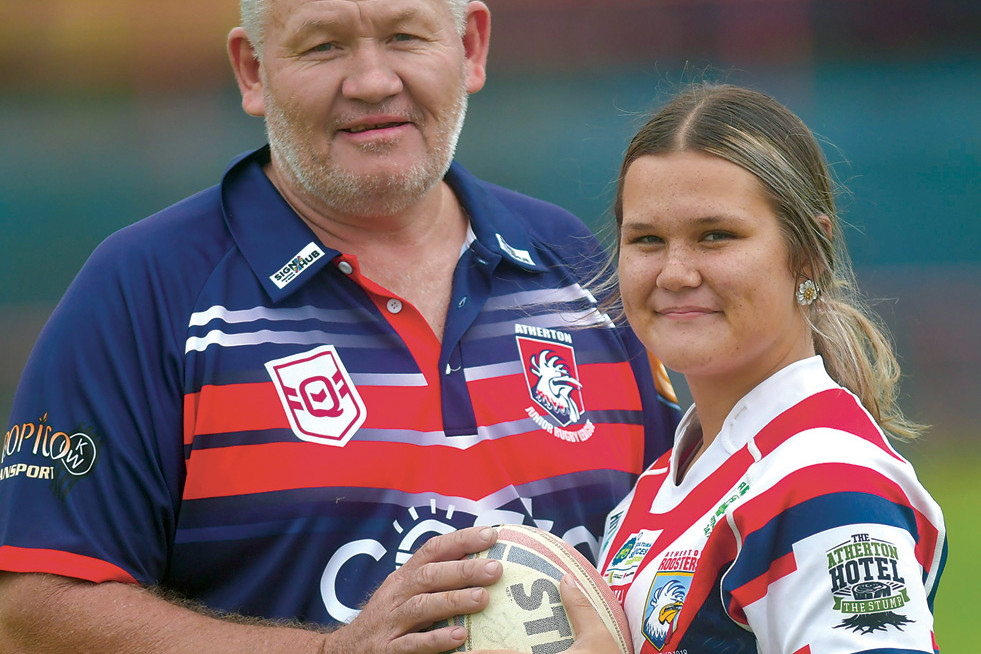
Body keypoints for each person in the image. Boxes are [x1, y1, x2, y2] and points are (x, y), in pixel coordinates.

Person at [0, 0, 678, 651]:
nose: (372, 82)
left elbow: (677, 549)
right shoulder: (147, 286)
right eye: (323, 45)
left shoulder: (575, 268)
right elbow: (32, 616)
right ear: (253, 71)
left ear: (470, 47)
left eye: (406, 37)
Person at [559, 83, 947, 653]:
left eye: (716, 236)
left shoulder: (825, 479)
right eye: (646, 240)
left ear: (809, 253)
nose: (674, 273)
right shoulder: (653, 490)